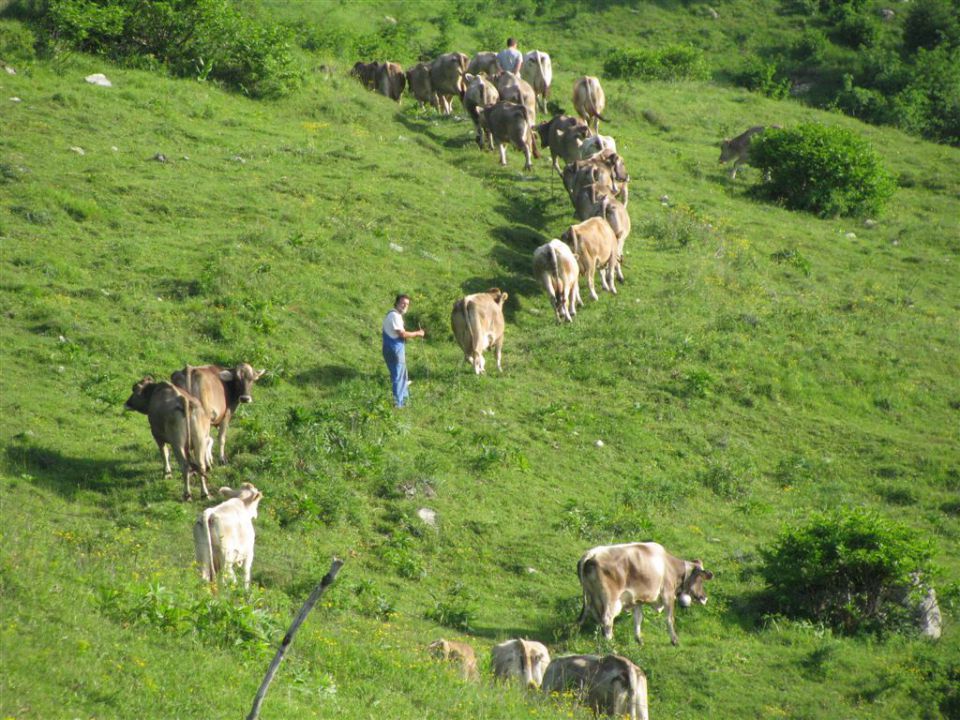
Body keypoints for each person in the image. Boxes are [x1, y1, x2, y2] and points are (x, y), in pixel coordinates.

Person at [382, 294, 425, 408]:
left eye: (407, 304)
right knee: (399, 377)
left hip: (390, 348)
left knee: (401, 376)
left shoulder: (391, 315)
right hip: (395, 350)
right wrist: (417, 333)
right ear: (396, 303)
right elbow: (402, 334)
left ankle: (405, 402)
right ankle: (398, 404)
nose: (405, 306)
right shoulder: (394, 315)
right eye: (403, 303)